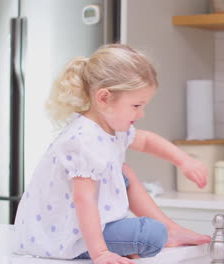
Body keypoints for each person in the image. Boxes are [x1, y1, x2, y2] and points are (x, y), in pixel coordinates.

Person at [14, 44, 211, 264]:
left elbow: (146, 141)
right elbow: (84, 200)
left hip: (80, 226)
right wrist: (100, 253)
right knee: (152, 236)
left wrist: (184, 161)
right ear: (104, 98)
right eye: (136, 105)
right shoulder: (83, 140)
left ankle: (171, 229)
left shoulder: (111, 129)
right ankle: (160, 233)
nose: (141, 113)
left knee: (124, 171)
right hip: (64, 236)